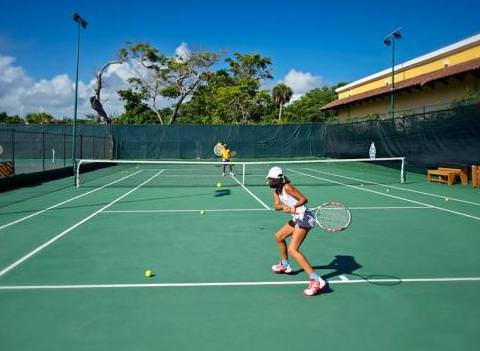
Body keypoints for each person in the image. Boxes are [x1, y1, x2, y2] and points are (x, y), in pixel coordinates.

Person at [266, 166, 326, 296]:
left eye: (270, 179)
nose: (268, 181)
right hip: (297, 217)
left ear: (278, 179)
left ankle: (316, 280)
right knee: (279, 237)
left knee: (293, 250)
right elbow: (276, 206)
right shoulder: (277, 190)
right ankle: (286, 265)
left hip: (304, 217)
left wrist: (294, 206)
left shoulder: (288, 187)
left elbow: (304, 199)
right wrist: (284, 207)